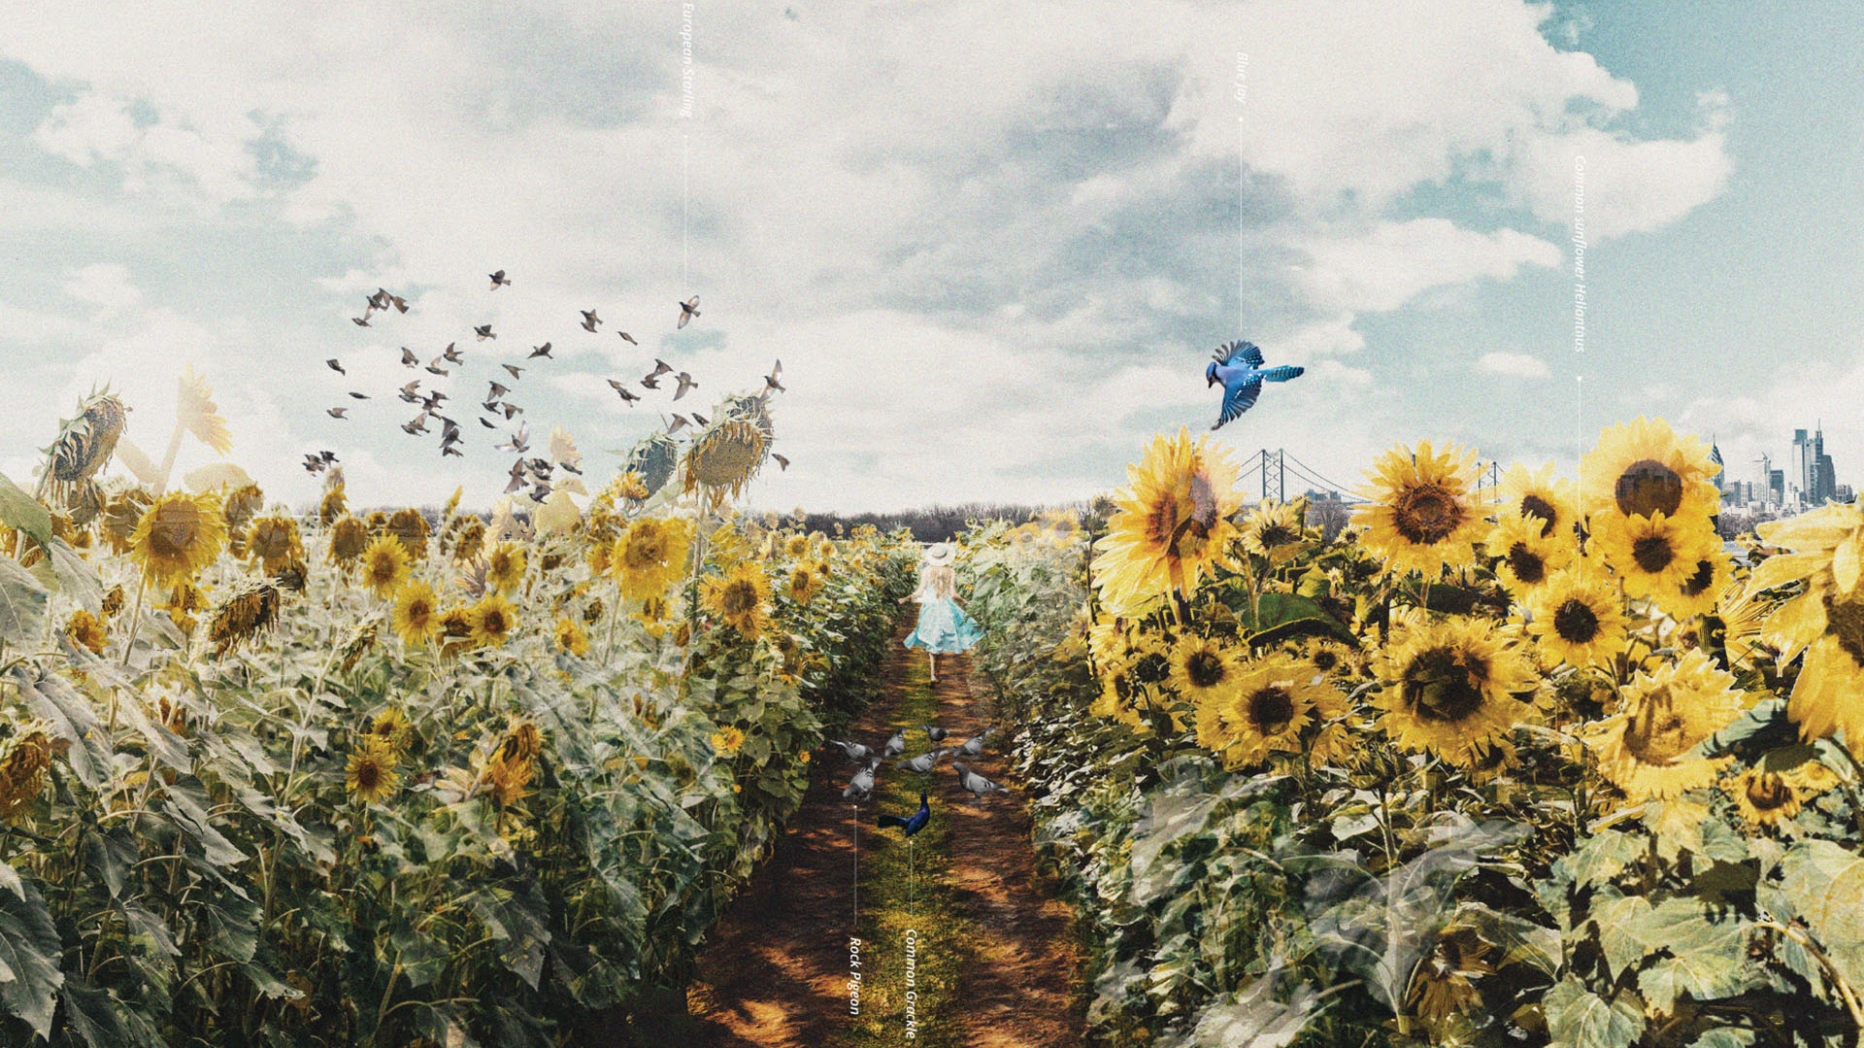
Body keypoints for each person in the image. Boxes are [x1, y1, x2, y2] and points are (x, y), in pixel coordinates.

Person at [900, 541, 984, 681]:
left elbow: (920, 592)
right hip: (945, 608)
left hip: (930, 608)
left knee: (932, 641)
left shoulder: (926, 571)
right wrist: (964, 601)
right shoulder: (950, 571)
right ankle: (937, 674)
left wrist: (906, 598)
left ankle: (933, 674)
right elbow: (953, 594)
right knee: (942, 641)